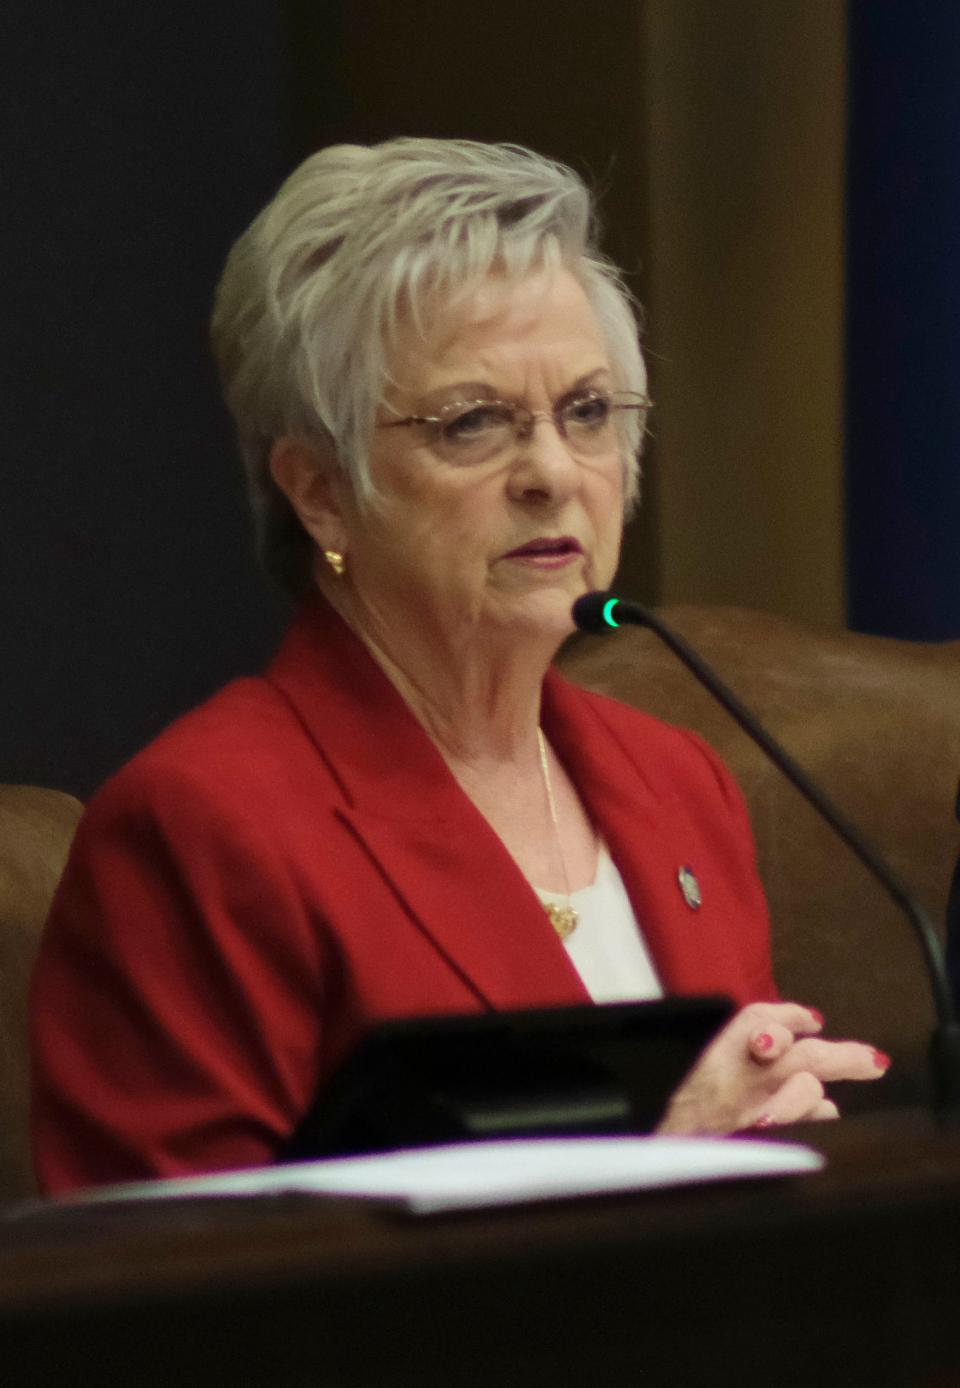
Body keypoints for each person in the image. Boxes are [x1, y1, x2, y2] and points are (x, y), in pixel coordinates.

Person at [30, 139, 887, 1192]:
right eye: (473, 421)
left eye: (586, 411)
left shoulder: (679, 783)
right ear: (321, 492)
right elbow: (172, 1309)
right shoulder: (204, 831)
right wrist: (648, 1171)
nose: (552, 473)